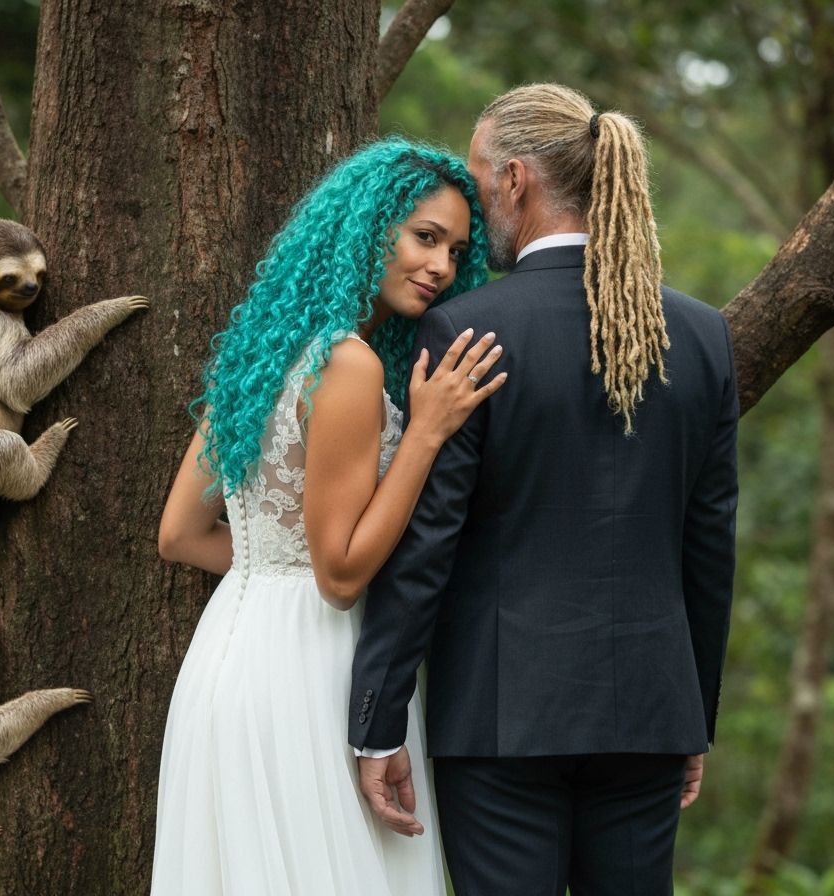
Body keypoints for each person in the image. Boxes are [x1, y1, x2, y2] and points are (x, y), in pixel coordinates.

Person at [350, 83, 739, 895]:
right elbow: (709, 546)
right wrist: (691, 717)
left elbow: (429, 544)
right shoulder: (702, 338)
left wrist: (378, 723)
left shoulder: (468, 330)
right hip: (648, 716)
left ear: (518, 179)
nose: (477, 195)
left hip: (501, 719)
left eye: (482, 174)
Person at [151, 139, 505, 896]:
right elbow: (341, 575)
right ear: (368, 228)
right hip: (313, 668)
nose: (442, 267)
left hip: (228, 660)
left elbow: (180, 534)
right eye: (424, 236)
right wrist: (425, 434)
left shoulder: (265, 352)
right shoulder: (348, 365)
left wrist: (274, 570)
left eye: (456, 249)